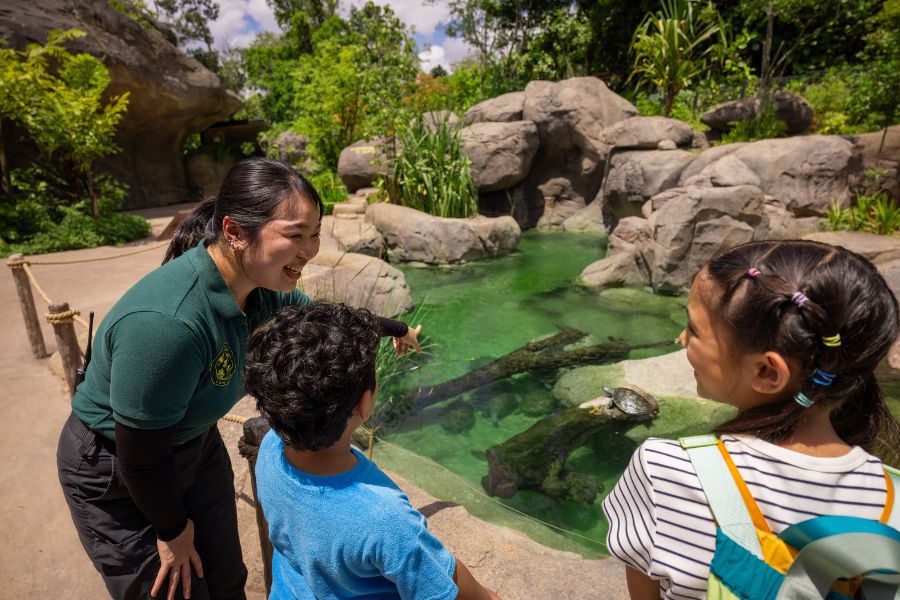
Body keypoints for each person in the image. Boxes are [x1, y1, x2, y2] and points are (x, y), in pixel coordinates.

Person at [57, 157, 422, 600]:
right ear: (233, 232)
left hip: (192, 443)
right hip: (117, 466)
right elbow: (142, 456)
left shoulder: (262, 289)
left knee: (227, 579)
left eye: (314, 235)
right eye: (294, 235)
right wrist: (173, 531)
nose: (309, 251)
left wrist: (396, 329)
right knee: (174, 590)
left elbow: (328, 321)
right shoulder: (167, 324)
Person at [602, 240, 900, 600]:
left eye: (694, 329)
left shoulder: (667, 469)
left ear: (766, 371)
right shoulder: (894, 500)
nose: (681, 338)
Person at [244, 302, 502, 600]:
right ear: (364, 404)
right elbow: (454, 592)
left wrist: (399, 329)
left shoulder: (269, 450)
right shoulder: (385, 519)